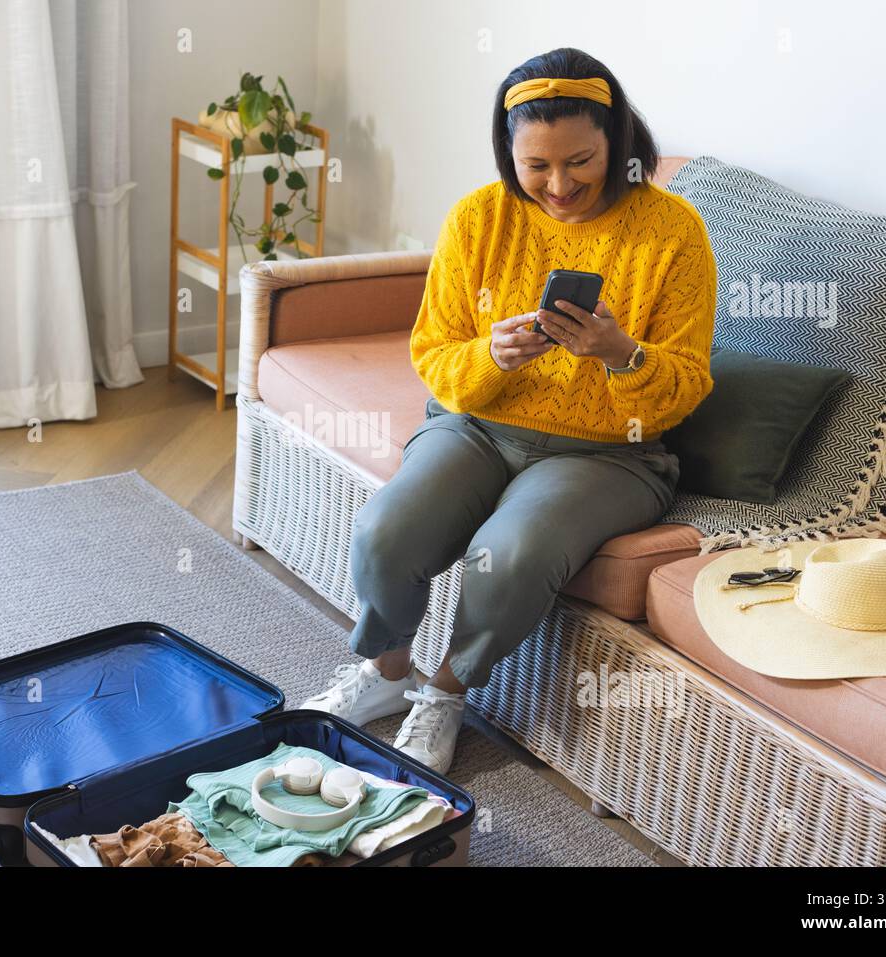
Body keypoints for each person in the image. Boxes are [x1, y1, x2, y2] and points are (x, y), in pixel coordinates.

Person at [300, 47, 717, 774]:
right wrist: (490, 356)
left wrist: (621, 353)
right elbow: (434, 355)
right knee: (384, 533)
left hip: (610, 451)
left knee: (509, 554)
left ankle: (445, 693)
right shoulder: (477, 219)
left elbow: (683, 387)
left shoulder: (673, 232)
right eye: (537, 167)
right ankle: (390, 673)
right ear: (509, 155)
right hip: (477, 427)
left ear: (617, 143)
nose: (560, 185)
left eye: (581, 160)